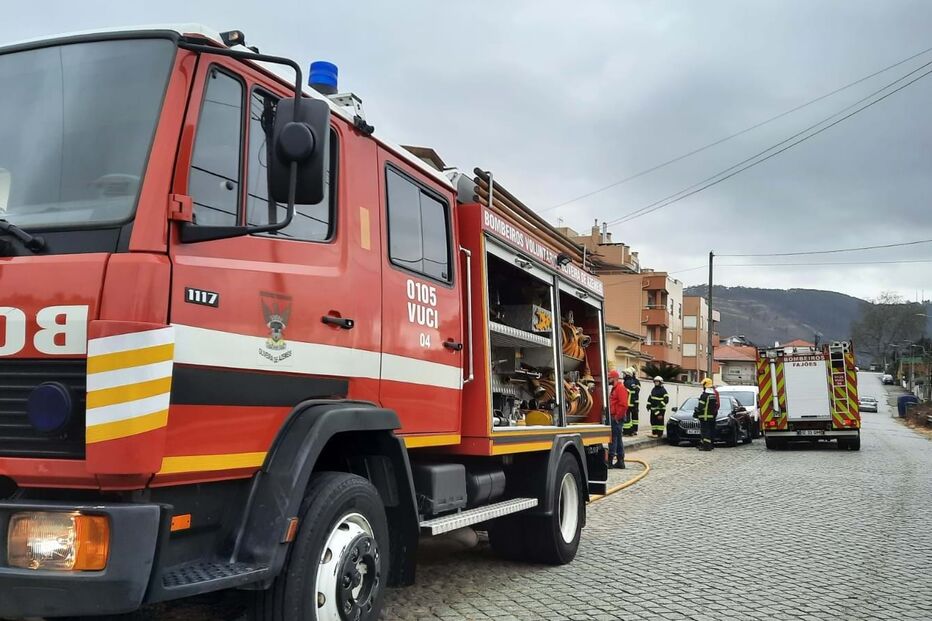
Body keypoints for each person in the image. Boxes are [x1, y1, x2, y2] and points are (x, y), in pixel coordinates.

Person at [607, 369, 628, 469]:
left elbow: (623, 405)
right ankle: (620, 461)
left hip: (616, 418)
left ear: (614, 378)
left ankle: (610, 461)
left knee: (613, 439)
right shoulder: (615, 388)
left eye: (609, 378)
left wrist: (616, 417)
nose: (608, 380)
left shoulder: (620, 388)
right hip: (616, 417)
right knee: (618, 439)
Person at [694, 378, 720, 451]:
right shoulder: (713, 395)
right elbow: (716, 405)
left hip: (704, 416)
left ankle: (706, 447)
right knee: (710, 431)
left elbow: (701, 407)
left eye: (703, 385)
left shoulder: (704, 395)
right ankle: (710, 445)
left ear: (705, 385)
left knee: (705, 432)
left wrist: (696, 411)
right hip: (711, 416)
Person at [622, 366, 640, 435]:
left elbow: (633, 391)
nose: (623, 375)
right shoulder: (632, 381)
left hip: (630, 402)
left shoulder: (628, 382)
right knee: (632, 417)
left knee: (628, 417)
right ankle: (632, 430)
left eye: (624, 374)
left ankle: (628, 431)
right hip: (632, 402)